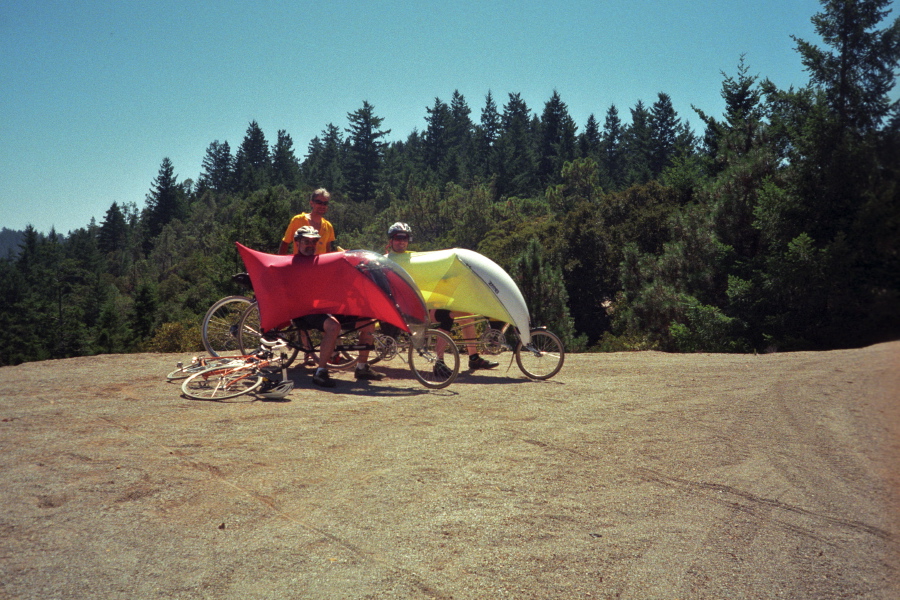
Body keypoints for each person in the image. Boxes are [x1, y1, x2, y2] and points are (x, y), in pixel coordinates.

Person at [385, 222, 499, 371]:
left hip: (424, 304)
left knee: (467, 315)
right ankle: (439, 362)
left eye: (405, 238)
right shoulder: (386, 261)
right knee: (446, 315)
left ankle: (474, 358)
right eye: (398, 238)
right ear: (390, 241)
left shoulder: (413, 258)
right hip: (406, 310)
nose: (402, 241)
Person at [293, 226, 384, 387]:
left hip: (326, 308)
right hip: (305, 311)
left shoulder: (321, 261)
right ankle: (320, 372)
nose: (310, 245)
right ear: (297, 243)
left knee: (368, 322)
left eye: (313, 242)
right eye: (306, 241)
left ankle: (362, 367)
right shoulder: (290, 264)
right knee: (333, 326)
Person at [279, 188, 339, 255]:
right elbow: (285, 243)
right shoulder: (298, 220)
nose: (322, 206)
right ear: (311, 203)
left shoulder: (328, 226)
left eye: (325, 203)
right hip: (300, 263)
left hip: (318, 265)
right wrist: (280, 262)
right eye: (319, 202)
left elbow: (327, 252)